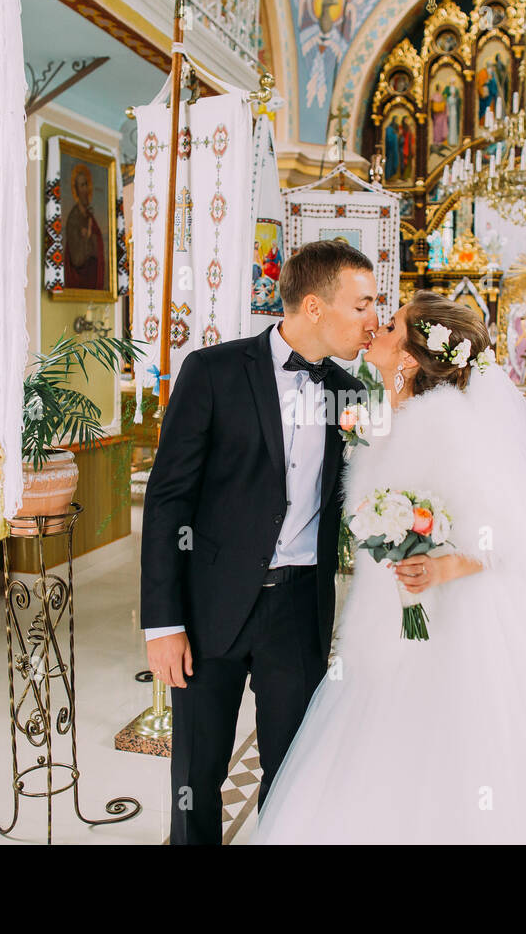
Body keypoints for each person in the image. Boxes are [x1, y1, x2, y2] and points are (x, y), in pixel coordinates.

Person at [253, 292, 526, 843]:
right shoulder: (390, 413)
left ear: (413, 357)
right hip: (388, 617)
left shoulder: (444, 424)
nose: (377, 331)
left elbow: (506, 534)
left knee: (444, 755)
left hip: (449, 625)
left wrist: (439, 570)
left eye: (390, 326)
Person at [141, 239, 378, 845]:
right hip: (210, 604)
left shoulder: (352, 391)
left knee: (293, 771)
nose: (373, 319)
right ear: (314, 307)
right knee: (197, 774)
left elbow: (369, 492)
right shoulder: (213, 371)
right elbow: (169, 500)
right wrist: (162, 623)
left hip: (299, 608)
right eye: (363, 305)